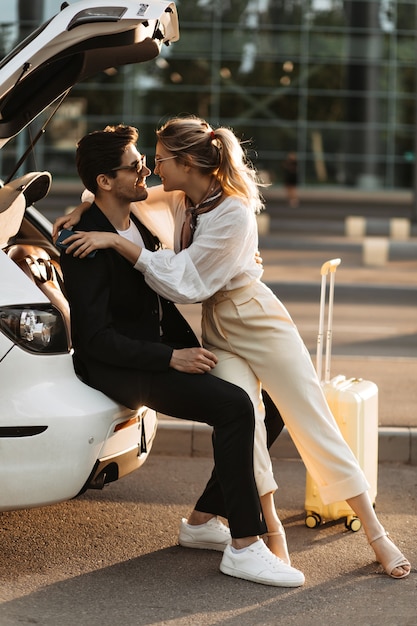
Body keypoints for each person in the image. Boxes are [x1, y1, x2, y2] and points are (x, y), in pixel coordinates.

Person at [54, 119, 410, 580]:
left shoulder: (234, 213)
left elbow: (185, 281)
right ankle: (267, 534)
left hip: (255, 317)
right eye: (147, 162)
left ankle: (377, 533)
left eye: (157, 161)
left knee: (310, 416)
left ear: (187, 164)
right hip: (220, 325)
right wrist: (82, 211)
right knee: (246, 413)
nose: (151, 169)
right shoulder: (181, 198)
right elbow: (106, 195)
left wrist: (114, 242)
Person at [57, 124, 304, 588]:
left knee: (267, 411)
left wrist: (189, 348)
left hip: (154, 355)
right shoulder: (82, 241)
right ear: (106, 181)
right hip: (119, 366)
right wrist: (170, 359)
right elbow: (94, 341)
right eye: (135, 165)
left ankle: (202, 521)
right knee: (234, 407)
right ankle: (245, 547)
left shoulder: (139, 223)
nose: (146, 169)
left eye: (146, 161)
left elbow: (163, 298)